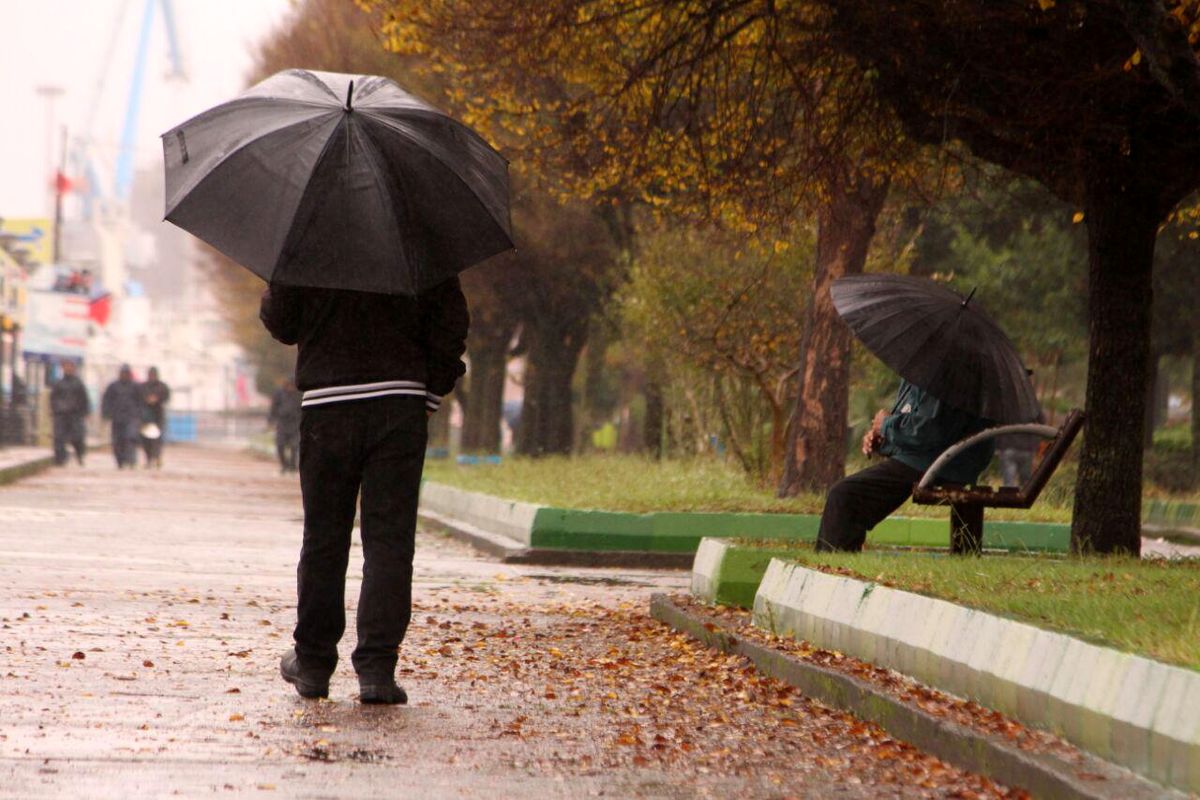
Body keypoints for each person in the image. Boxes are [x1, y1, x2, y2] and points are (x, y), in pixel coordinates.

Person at [260, 278, 469, 704]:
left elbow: (282, 323)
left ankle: (314, 664)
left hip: (327, 405)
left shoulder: (308, 237)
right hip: (399, 404)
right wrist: (430, 392)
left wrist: (280, 278)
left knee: (324, 539)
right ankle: (376, 669)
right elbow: (450, 324)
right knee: (390, 540)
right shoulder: (417, 235)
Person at [816, 379, 995, 552]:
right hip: (929, 459)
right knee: (847, 497)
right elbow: (917, 429)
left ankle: (833, 569)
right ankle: (834, 565)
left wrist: (885, 425)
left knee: (845, 496)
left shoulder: (944, 371)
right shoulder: (927, 369)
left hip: (940, 463)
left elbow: (926, 430)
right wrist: (883, 441)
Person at [101, 365, 142, 469]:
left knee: (130, 438)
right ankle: (120, 460)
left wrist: (140, 415)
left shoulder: (135, 386)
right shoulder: (113, 386)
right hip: (117, 418)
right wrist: (106, 413)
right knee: (118, 441)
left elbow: (141, 402)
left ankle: (131, 459)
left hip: (131, 417)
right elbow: (106, 400)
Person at [49, 360, 90, 466]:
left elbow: (84, 399)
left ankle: (79, 454)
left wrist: (85, 412)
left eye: (70, 366)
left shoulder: (78, 383)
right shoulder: (58, 383)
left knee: (77, 438)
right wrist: (55, 409)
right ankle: (60, 459)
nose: (68, 369)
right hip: (61, 415)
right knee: (59, 437)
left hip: (75, 415)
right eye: (66, 366)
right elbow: (53, 398)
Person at [268, 377, 302, 473]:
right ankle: (284, 465)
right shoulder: (279, 393)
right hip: (282, 424)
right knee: (280, 445)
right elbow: (274, 407)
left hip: (295, 424)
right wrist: (271, 420)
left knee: (294, 446)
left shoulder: (299, 394)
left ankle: (292, 466)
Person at [139, 366, 171, 468]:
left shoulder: (162, 386)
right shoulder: (143, 387)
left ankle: (157, 457)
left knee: (157, 439)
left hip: (158, 417)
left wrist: (157, 399)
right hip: (146, 417)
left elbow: (166, 398)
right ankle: (149, 459)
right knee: (146, 440)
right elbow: (138, 398)